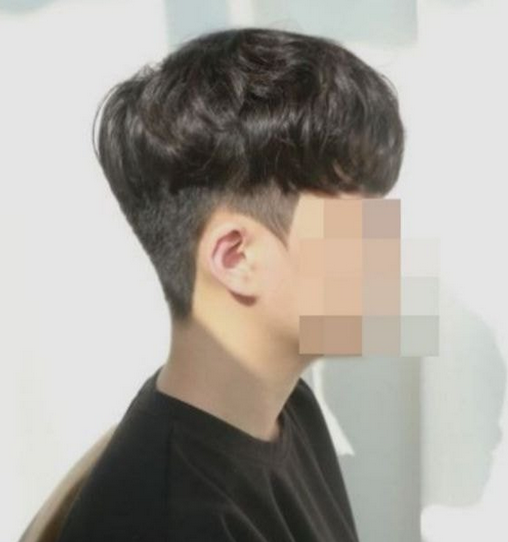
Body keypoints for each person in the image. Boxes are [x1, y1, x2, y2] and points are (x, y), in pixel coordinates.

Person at [55, 26, 404, 541]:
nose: (391, 254)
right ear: (235, 256)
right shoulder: (171, 522)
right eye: (360, 224)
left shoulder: (290, 410)